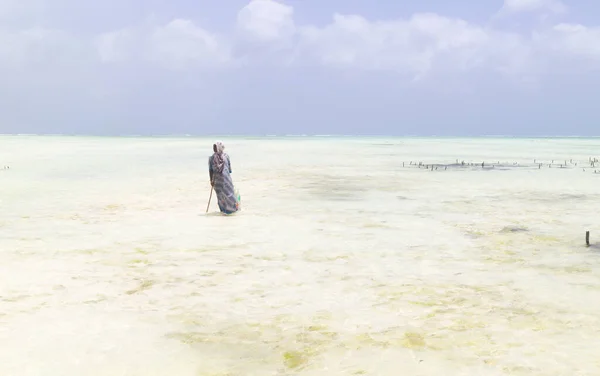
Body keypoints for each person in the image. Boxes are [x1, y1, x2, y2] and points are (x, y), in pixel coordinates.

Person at [209, 141, 239, 214]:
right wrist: (211, 181)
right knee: (221, 196)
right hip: (218, 182)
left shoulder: (225, 156)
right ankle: (224, 211)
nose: (214, 149)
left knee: (229, 195)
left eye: (215, 147)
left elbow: (229, 169)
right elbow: (211, 170)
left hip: (226, 181)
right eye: (214, 147)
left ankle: (232, 211)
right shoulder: (212, 158)